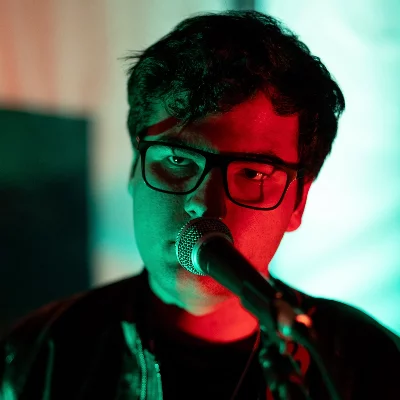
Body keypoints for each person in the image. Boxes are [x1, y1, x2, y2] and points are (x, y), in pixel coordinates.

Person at [1, 9, 399, 400]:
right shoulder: (32, 360)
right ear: (134, 171)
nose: (206, 206)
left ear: (298, 203)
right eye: (177, 160)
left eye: (253, 173)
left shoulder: (372, 365)